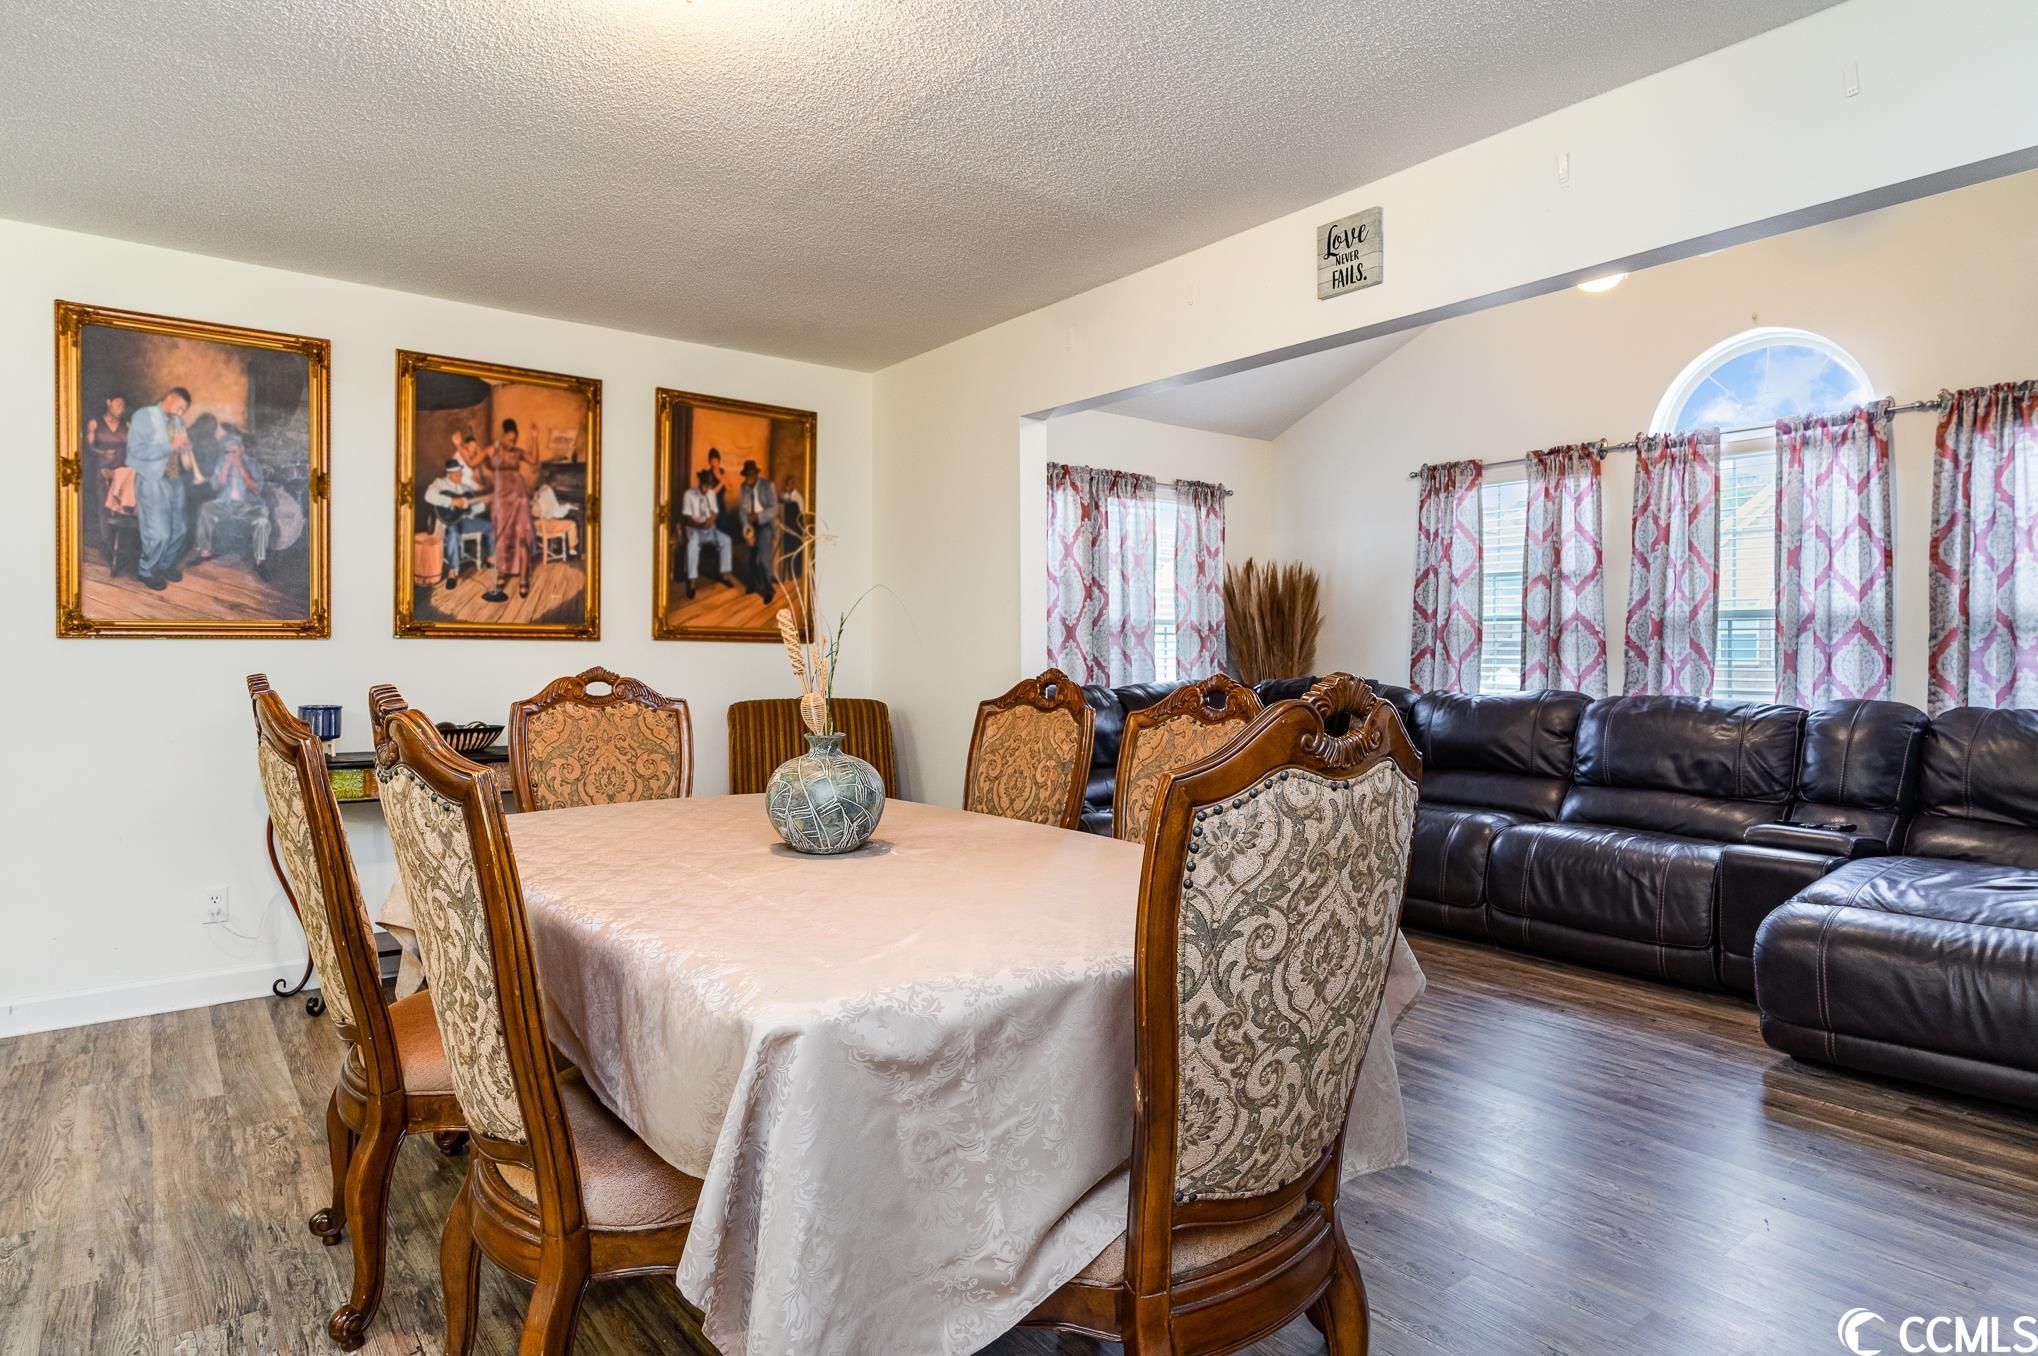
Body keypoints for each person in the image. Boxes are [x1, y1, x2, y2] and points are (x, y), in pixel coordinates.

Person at [125, 386, 193, 591]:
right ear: (169, 397)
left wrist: (185, 448)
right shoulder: (144, 416)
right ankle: (147, 570)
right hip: (152, 479)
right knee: (159, 533)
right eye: (180, 407)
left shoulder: (177, 420)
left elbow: (179, 447)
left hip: (175, 478)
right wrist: (170, 446)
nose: (181, 413)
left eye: (184, 410)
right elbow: (136, 451)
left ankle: (164, 565)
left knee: (181, 529)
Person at [193, 432, 274, 575]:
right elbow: (215, 486)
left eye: (234, 452)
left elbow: (257, 490)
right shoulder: (222, 462)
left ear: (241, 450)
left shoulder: (252, 464)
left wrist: (241, 468)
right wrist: (225, 467)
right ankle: (205, 552)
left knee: (262, 522)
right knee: (206, 509)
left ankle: (259, 562)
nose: (230, 455)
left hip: (249, 505)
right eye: (227, 452)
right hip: (226, 503)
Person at [483, 417, 536, 602]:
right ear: (503, 436)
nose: (512, 443)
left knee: (522, 536)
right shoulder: (493, 450)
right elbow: (475, 463)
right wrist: (461, 447)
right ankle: (502, 573)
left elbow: (534, 460)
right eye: (510, 439)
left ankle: (523, 578)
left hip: (519, 497)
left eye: (515, 439)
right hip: (501, 498)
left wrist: (534, 438)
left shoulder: (518, 452)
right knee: (502, 536)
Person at [423, 448, 492, 588]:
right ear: (449, 474)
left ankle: (492, 558)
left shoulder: (463, 487)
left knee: (490, 527)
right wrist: (451, 501)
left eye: (460, 473)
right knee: (453, 533)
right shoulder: (440, 483)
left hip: (464, 521)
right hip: (449, 523)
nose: (460, 476)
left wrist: (483, 504)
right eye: (457, 474)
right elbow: (428, 496)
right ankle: (453, 571)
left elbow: (470, 510)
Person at [83, 394, 129, 552]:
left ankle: (120, 544)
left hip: (122, 472)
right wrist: (102, 452)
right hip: (102, 470)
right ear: (108, 402)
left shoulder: (127, 425)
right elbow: (88, 447)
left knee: (121, 507)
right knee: (104, 507)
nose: (121, 409)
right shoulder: (95, 423)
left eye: (123, 406)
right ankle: (106, 543)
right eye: (118, 404)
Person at [680, 467, 732, 599]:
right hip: (694, 529)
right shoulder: (689, 494)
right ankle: (692, 581)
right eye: (704, 485)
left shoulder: (711, 494)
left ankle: (724, 575)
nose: (706, 488)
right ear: (699, 482)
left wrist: (711, 520)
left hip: (709, 529)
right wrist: (700, 525)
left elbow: (715, 512)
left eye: (709, 485)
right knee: (692, 545)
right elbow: (687, 518)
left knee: (726, 540)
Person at [737, 458, 780, 603]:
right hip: (751, 524)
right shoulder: (743, 487)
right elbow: (742, 510)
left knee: (763, 558)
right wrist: (746, 530)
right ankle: (753, 584)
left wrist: (758, 516)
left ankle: (769, 590)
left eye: (751, 475)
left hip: (765, 524)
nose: (748, 479)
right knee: (750, 557)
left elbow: (774, 508)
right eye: (746, 476)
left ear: (756, 474)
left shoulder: (768, 486)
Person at [779, 474, 807, 580]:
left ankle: (796, 576)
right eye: (786, 485)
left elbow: (802, 515)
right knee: (787, 552)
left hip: (796, 529)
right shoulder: (784, 496)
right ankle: (786, 576)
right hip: (787, 529)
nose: (787, 487)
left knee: (795, 553)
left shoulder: (798, 498)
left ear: (793, 485)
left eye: (789, 485)